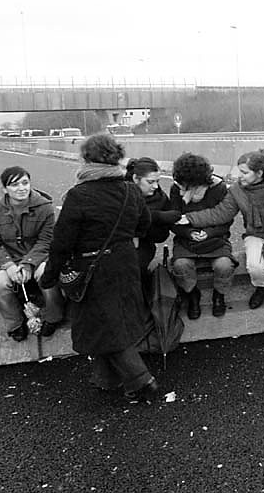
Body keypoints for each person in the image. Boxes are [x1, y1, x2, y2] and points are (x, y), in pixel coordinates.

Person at [39, 134, 158, 401]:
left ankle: (141, 381)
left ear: (86, 160)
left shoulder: (79, 195)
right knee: (112, 323)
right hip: (125, 263)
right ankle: (106, 379)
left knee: (102, 325)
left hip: (93, 269)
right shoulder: (130, 190)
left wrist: (50, 275)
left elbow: (62, 242)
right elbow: (144, 224)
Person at [181, 149, 264, 310]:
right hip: (256, 233)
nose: (239, 176)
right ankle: (262, 287)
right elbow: (221, 213)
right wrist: (190, 218)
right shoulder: (237, 190)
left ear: (259, 173)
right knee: (255, 267)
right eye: (239, 171)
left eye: (244, 172)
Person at [0, 166, 64, 341]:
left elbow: (46, 241)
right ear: (5, 189)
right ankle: (15, 324)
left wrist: (28, 264)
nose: (21, 188)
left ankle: (53, 317)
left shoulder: (45, 208)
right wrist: (9, 266)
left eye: (25, 183)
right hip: (10, 262)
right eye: (14, 185)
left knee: (47, 275)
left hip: (40, 258)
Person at [168, 153, 236, 320]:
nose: (183, 188)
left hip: (216, 239)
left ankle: (219, 295)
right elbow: (173, 220)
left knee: (224, 265)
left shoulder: (219, 188)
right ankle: (192, 295)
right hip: (186, 240)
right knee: (181, 265)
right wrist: (189, 233)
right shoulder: (176, 189)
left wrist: (209, 233)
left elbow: (226, 219)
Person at [126, 157, 180, 300]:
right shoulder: (121, 195)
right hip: (118, 246)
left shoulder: (160, 198)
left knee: (138, 267)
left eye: (157, 181)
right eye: (150, 182)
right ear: (135, 179)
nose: (155, 186)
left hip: (145, 245)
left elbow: (162, 235)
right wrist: (157, 217)